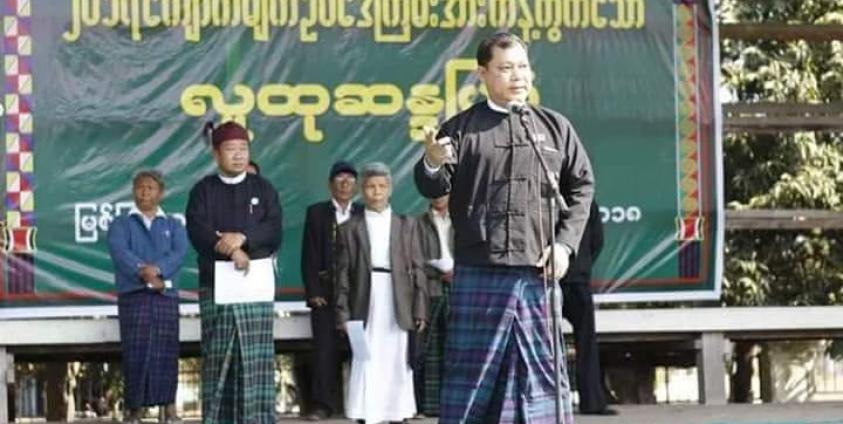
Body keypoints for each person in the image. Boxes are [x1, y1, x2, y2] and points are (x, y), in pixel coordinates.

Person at [414, 32, 594, 423]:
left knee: (540, 378)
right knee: (474, 380)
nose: (518, 76)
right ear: (483, 73)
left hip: (537, 272)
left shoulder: (554, 127)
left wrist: (564, 246)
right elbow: (433, 185)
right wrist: (431, 162)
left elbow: (582, 187)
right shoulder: (461, 128)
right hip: (481, 271)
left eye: (523, 67)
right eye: (506, 68)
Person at [185, 121, 283, 424]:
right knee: (218, 359)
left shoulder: (263, 188)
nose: (239, 155)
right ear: (216, 154)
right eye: (231, 149)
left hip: (255, 287)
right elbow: (198, 231)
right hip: (217, 287)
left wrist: (243, 239)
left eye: (243, 149)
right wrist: (230, 250)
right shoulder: (203, 190)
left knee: (256, 361)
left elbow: (274, 230)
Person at [335, 162, 428, 424]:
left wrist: (420, 308)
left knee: (397, 356)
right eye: (370, 187)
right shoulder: (349, 228)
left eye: (382, 186)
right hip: (364, 297)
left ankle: (396, 412)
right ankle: (366, 413)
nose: (376, 192)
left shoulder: (407, 225)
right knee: (366, 356)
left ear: (390, 189)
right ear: (361, 190)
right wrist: (342, 314)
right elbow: (342, 276)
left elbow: (418, 269)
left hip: (399, 297)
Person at [108, 170, 187, 424]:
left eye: (150, 188)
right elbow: (120, 252)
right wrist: (142, 271)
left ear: (160, 193)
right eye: (140, 187)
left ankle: (169, 408)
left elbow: (179, 253)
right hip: (133, 295)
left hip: (165, 296)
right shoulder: (121, 224)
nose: (145, 192)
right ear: (133, 192)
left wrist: (158, 270)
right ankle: (134, 410)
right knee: (135, 351)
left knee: (167, 351)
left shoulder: (173, 224)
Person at [300, 161, 363, 421]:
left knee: (361, 348)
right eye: (340, 179)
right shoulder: (317, 213)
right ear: (330, 185)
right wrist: (313, 290)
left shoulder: (364, 212)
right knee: (324, 350)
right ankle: (322, 405)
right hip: (326, 292)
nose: (345, 184)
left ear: (356, 186)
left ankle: (363, 403)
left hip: (358, 293)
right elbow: (309, 255)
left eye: (350, 179)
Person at [562, 201, 615, 415]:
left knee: (542, 342)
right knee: (586, 343)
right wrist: (582, 264)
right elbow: (597, 240)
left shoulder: (543, 197)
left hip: (548, 278)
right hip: (578, 277)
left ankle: (545, 401)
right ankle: (591, 401)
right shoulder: (585, 201)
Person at [413, 194, 454, 417]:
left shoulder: (462, 219)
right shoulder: (418, 223)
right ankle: (430, 406)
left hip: (460, 288)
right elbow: (415, 260)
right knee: (430, 350)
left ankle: (455, 404)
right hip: (431, 289)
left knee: (456, 348)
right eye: (435, 193)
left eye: (443, 192)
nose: (439, 197)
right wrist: (438, 272)